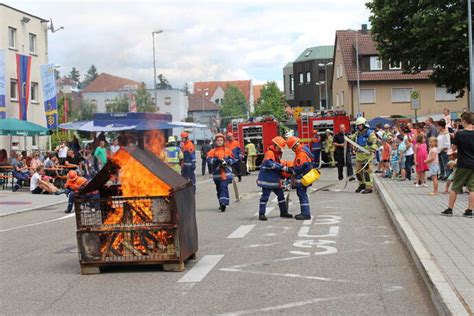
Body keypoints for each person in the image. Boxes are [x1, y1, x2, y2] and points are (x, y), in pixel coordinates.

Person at [442, 112, 473, 217]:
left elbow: (454, 148)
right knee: (472, 188)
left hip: (463, 163)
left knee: (455, 187)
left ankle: (450, 209)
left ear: (464, 121)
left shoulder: (460, 133)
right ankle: (469, 211)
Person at [257, 136, 293, 221]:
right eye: (280, 148)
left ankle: (283, 212)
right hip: (267, 180)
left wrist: (284, 174)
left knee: (281, 196)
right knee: (265, 197)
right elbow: (270, 163)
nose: (281, 149)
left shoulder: (276, 154)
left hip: (274, 180)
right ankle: (261, 214)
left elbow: (276, 166)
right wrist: (284, 168)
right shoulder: (270, 153)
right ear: (276, 145)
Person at [207, 133, 236, 212]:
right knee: (219, 189)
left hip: (226, 173)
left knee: (223, 187)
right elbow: (209, 160)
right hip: (217, 174)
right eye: (218, 140)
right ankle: (221, 202)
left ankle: (224, 203)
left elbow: (233, 159)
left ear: (223, 141)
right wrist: (216, 161)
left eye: (221, 140)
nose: (219, 142)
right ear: (215, 141)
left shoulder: (227, 150)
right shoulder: (212, 151)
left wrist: (227, 161)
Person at [286, 136, 314, 220]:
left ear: (294, 146)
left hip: (302, 178)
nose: (292, 150)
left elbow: (299, 168)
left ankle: (305, 214)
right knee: (302, 194)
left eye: (292, 148)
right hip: (306, 177)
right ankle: (304, 212)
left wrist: (290, 170)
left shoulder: (300, 154)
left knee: (302, 195)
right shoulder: (304, 149)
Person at [350, 117, 378, 193]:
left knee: (367, 172)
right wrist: (347, 139)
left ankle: (369, 187)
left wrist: (371, 149)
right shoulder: (357, 133)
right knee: (358, 172)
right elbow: (352, 139)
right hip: (359, 155)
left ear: (364, 125)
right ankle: (361, 184)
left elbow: (376, 143)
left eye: (360, 125)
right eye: (358, 125)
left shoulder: (370, 133)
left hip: (367, 155)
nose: (359, 127)